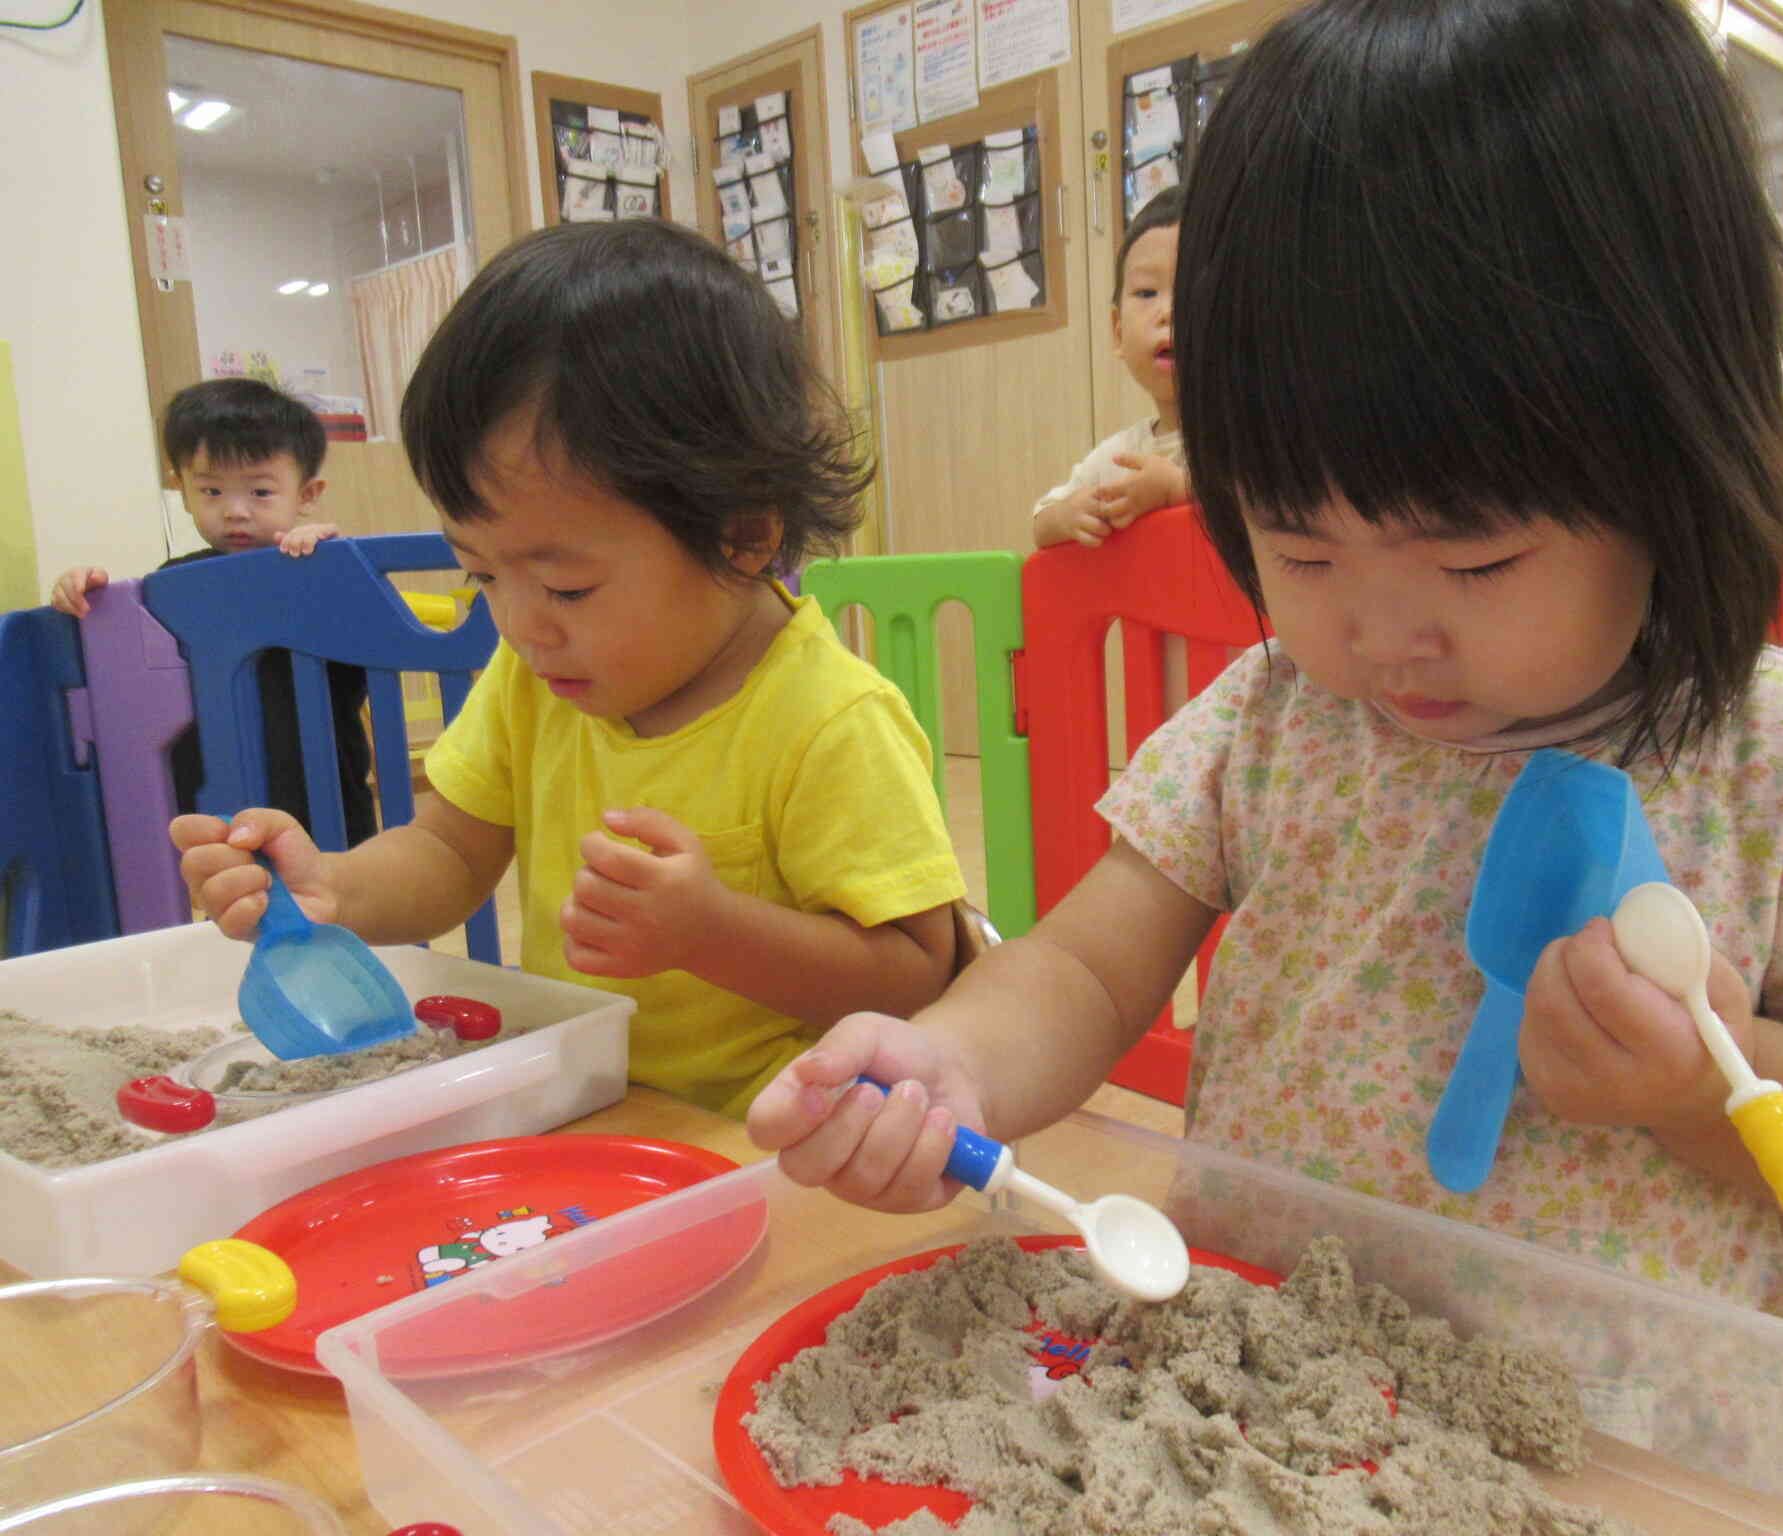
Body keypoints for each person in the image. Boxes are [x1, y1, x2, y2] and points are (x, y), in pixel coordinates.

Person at [750, 0, 1783, 1335]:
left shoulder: (1780, 756)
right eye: (1301, 549)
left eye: (1476, 567)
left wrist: (1711, 1083)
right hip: (1280, 1395)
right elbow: (1085, 973)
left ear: (1672, 463)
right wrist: (952, 1064)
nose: (1381, 636)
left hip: (1634, 1445)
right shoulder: (1278, 715)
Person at [172, 219, 966, 1118]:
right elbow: (446, 851)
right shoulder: (536, 680)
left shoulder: (828, 718)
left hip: (768, 1143)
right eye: (481, 574)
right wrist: (332, 887)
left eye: (565, 586)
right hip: (582, 1104)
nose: (518, 625)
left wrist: (710, 933)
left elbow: (915, 978)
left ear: (743, 536)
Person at [50, 377, 376, 847]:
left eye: (261, 492)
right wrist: (89, 595)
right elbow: (127, 658)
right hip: (216, 802)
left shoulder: (320, 568)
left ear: (306, 495)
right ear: (181, 490)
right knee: (233, 909)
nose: (235, 511)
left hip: (322, 803)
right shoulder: (174, 582)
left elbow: (370, 639)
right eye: (211, 492)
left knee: (336, 910)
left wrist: (336, 568)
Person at [1030, 186, 1189, 549]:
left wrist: (1176, 488)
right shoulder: (1121, 457)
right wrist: (1069, 515)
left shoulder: (1252, 442)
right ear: (1118, 332)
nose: (1168, 312)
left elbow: (1272, 503)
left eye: (1191, 288)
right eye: (1147, 293)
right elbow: (1042, 519)